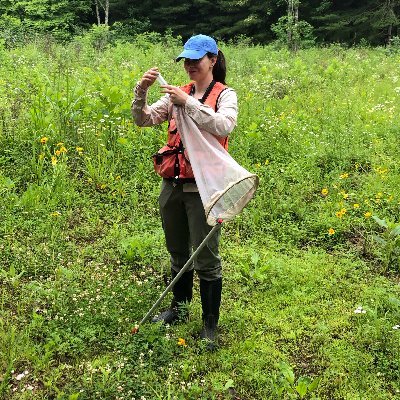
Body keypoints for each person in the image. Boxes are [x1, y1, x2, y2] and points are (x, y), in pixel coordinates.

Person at [131, 34, 238, 350]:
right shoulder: (179, 93)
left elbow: (224, 125)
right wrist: (141, 91)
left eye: (196, 59)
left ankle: (209, 325)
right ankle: (178, 309)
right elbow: (144, 119)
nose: (190, 65)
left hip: (204, 189)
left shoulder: (224, 95)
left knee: (206, 257)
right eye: (186, 60)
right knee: (177, 249)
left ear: (212, 60)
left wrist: (187, 102)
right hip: (172, 185)